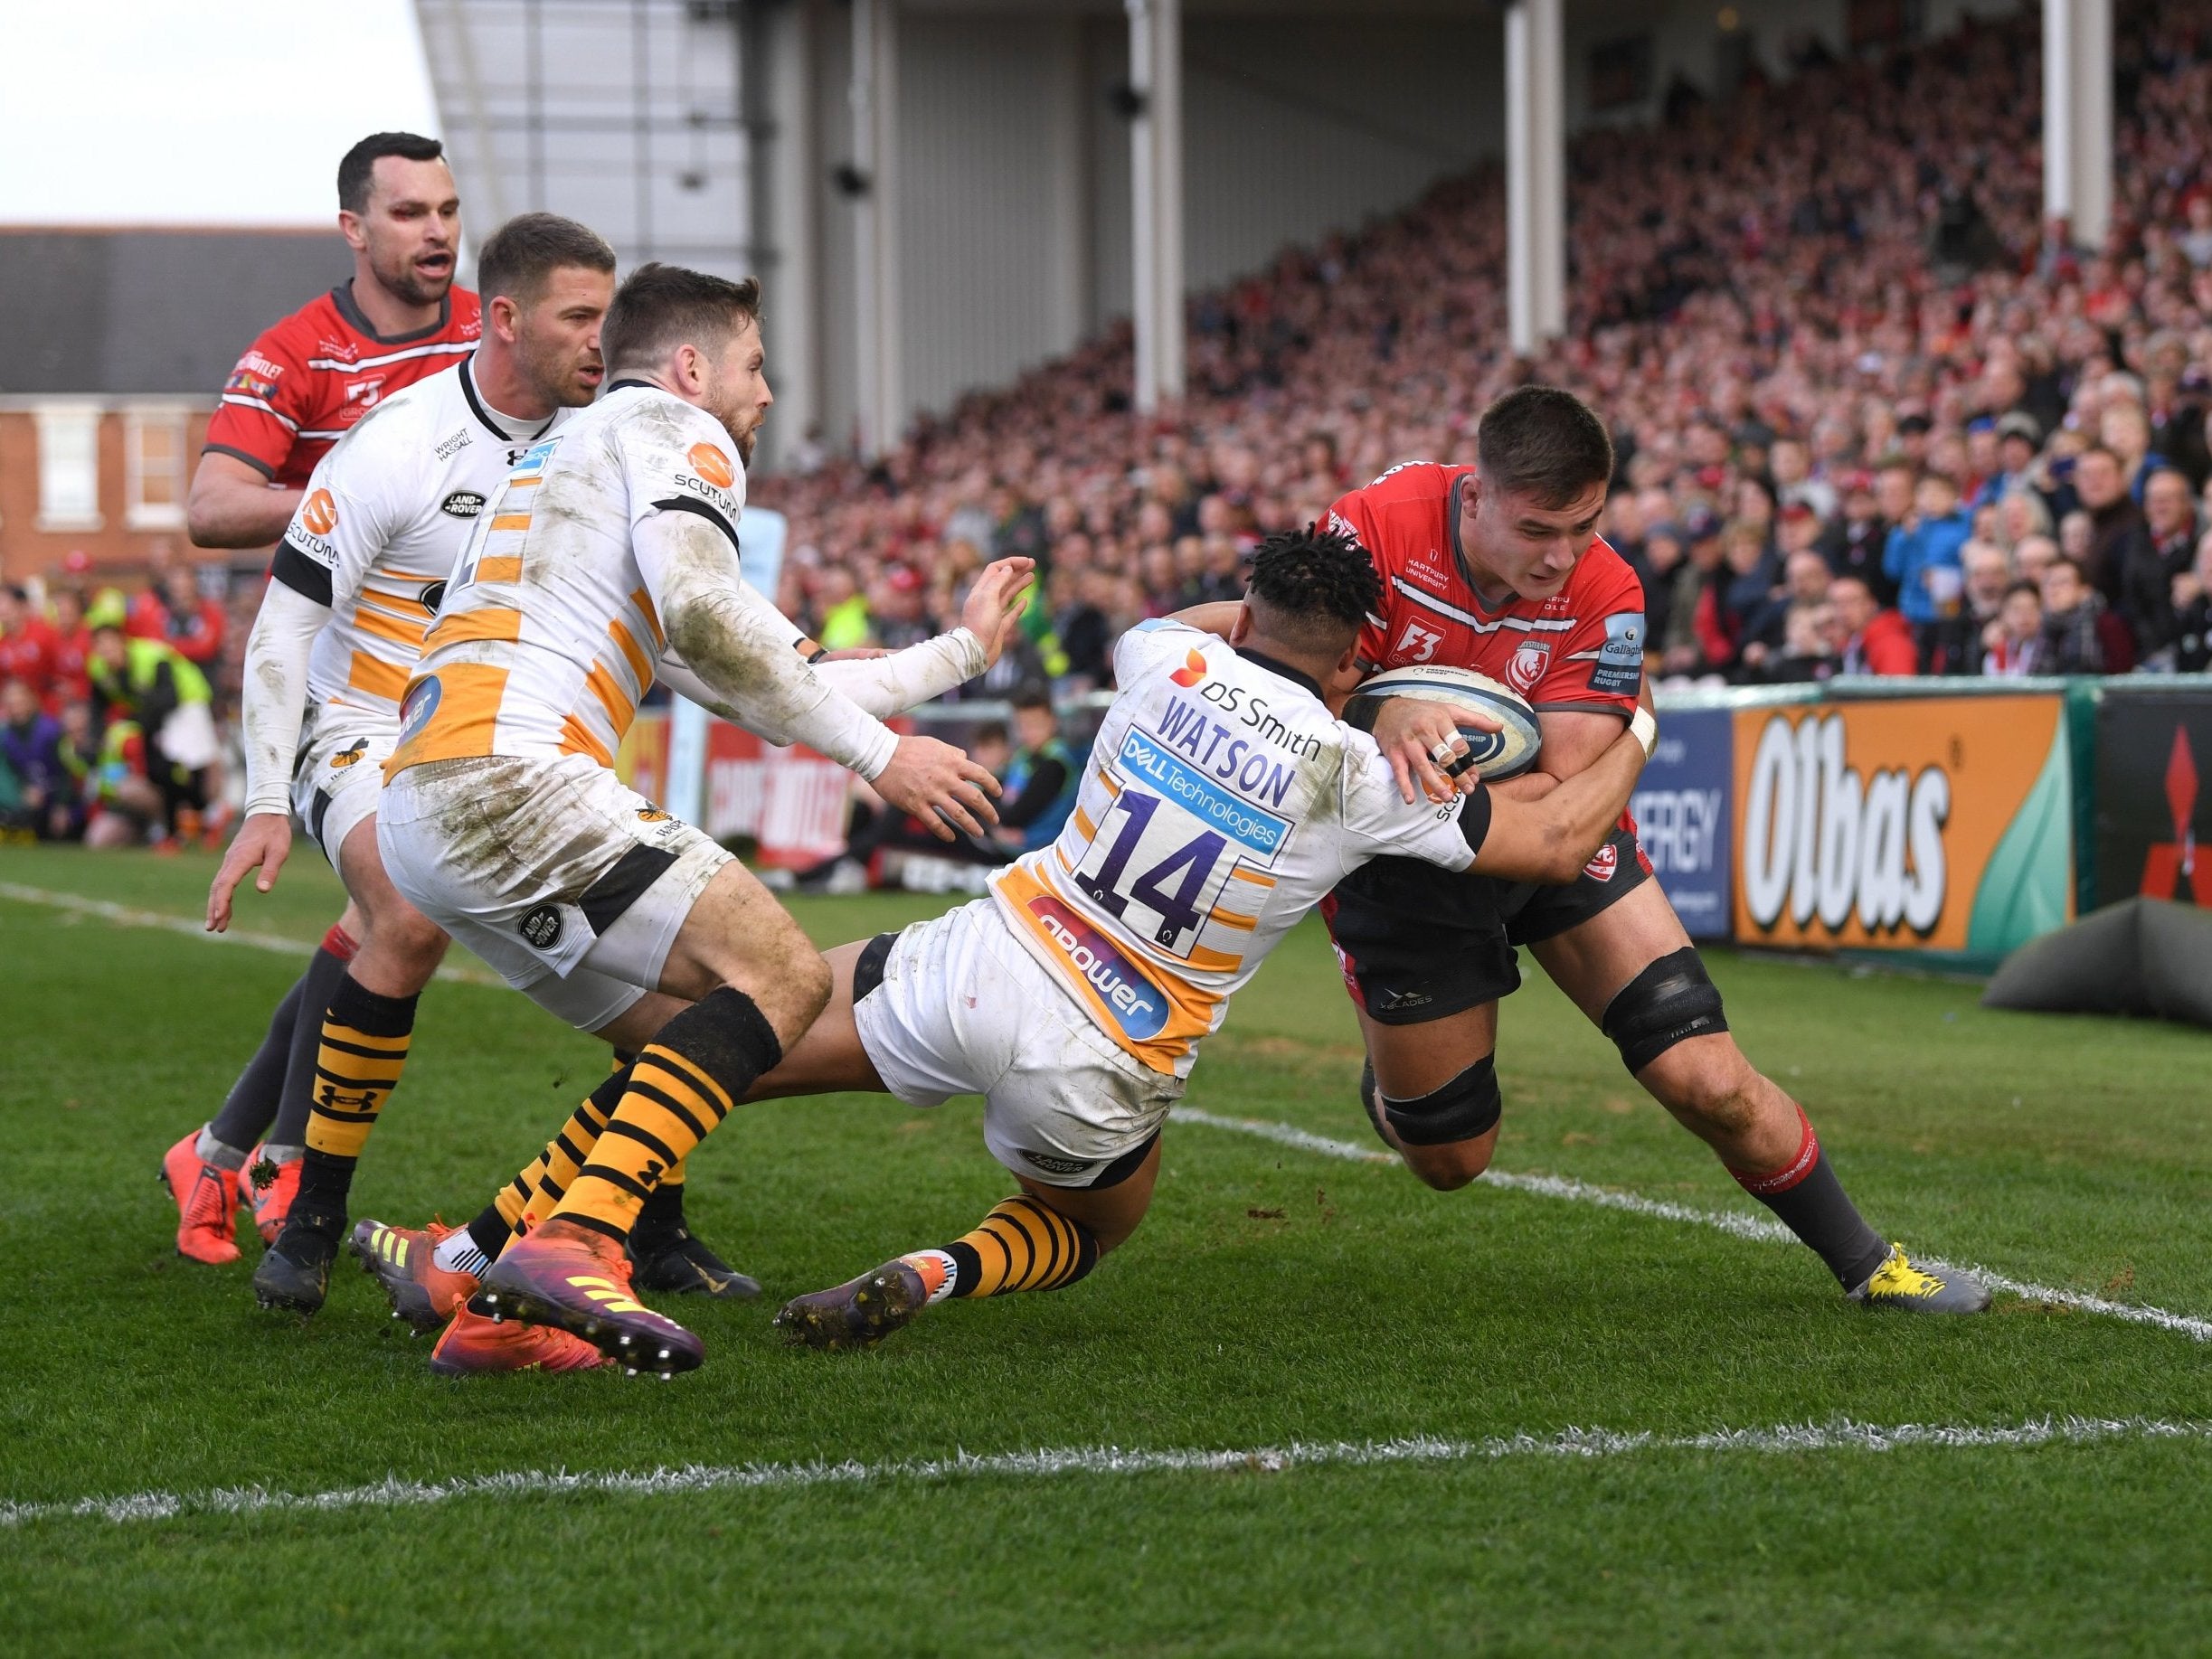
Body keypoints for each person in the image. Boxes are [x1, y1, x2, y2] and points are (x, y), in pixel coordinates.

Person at [761, 526, 1660, 1351]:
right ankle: (941, 1268)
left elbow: (1185, 623)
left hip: (994, 956)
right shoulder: (1355, 773)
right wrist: (1635, 723)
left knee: (744, 1030)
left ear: (1252, 611)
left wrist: (1265, 615)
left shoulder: (1159, 658)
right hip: (1115, 1046)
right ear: (1355, 653)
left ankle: (624, 1210)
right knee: (1086, 1226)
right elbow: (1554, 841)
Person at [366, 262, 1014, 1375]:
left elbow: (757, 671)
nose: (766, 393)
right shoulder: (676, 427)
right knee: (784, 977)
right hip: (515, 780)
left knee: (680, 1037)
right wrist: (880, 761)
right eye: (754, 365)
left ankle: (473, 1274)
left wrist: (959, 654)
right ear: (688, 366)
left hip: (424, 803)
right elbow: (714, 623)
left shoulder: (561, 460)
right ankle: (573, 1243)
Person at [1317, 387, 1985, 1316]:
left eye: (1584, 524)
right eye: (1539, 528)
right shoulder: (1369, 527)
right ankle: (1397, 1093)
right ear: (1473, 496)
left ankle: (1872, 1263)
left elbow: (1566, 796)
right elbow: (1293, 683)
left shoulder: (1608, 587)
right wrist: (1383, 714)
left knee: (1707, 1076)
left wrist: (1440, 772)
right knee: (1450, 1157)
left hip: (1552, 841)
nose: (1562, 555)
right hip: (1398, 870)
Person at [183, 215, 625, 1287]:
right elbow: (279, 621)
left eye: (608, 317)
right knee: (409, 913)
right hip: (363, 724)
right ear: (506, 318)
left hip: (502, 728)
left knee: (643, 940)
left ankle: (641, 1225)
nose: (602, 342)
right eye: (582, 317)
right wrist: (266, 800)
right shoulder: (383, 433)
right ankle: (307, 1210)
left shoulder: (601, 441)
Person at [161, 132, 484, 1268]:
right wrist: (352, 485)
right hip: (338, 680)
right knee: (404, 915)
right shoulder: (297, 352)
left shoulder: (492, 336)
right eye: (408, 213)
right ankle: (280, 1156)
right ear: (355, 229)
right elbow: (210, 505)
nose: (437, 231)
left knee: (389, 923)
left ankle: (223, 1145)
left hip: (462, 676)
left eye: (447, 209)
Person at [85, 623, 219, 841]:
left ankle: (209, 815)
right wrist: (95, 738)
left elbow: (170, 697)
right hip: (153, 716)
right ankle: (176, 824)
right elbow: (98, 708)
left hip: (187, 701)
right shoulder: (99, 668)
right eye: (100, 646)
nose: (106, 651)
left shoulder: (151, 656)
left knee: (189, 762)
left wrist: (137, 720)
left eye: (110, 644)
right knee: (159, 770)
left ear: (123, 642)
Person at [990, 686, 1081, 853]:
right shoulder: (1023, 756)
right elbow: (994, 791)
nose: (1028, 732)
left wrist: (993, 821)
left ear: (1052, 722)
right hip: (1013, 845)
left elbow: (1016, 816)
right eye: (1022, 725)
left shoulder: (1055, 764)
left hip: (1041, 851)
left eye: (1035, 725)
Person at [2038, 557, 2133, 674]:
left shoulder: (2106, 624)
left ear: (2085, 589)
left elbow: (2122, 674)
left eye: (2063, 582)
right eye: (2048, 583)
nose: (2053, 590)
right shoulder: (2042, 628)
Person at [1829, 574, 1919, 675]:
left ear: (1871, 604)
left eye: (1851, 602)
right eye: (1836, 604)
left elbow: (1899, 689)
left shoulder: (1891, 643)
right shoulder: (1850, 644)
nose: (1842, 611)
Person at [1982, 581, 2046, 675]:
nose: (2024, 616)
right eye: (2016, 609)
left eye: (2031, 608)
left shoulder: (2049, 649)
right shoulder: (1996, 652)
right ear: (2003, 614)